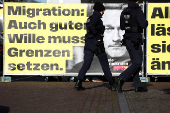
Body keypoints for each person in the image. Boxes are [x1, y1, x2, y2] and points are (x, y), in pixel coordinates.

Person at [74, 2, 116, 91]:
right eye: (103, 10)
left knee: (86, 64)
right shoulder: (96, 17)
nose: (104, 12)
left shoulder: (90, 18)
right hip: (96, 44)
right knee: (105, 64)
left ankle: (78, 82)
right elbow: (93, 27)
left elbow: (90, 27)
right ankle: (112, 84)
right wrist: (98, 38)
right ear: (100, 10)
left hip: (88, 44)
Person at [117, 0, 148, 92]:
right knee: (137, 62)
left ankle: (138, 85)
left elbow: (122, 26)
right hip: (135, 40)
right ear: (137, 1)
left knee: (135, 63)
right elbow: (143, 24)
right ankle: (121, 78)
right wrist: (146, 22)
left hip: (127, 39)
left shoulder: (124, 11)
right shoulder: (137, 10)